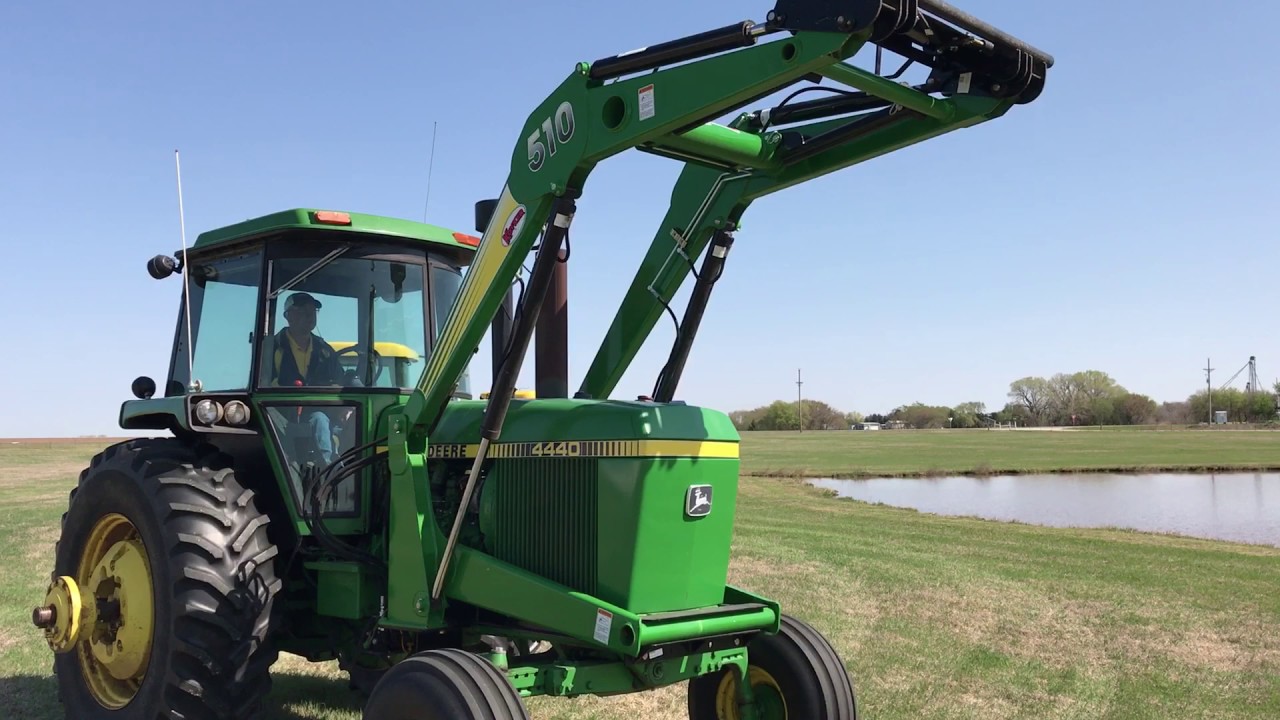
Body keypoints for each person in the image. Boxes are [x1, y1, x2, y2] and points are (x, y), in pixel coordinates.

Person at [269, 292, 343, 465]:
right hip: (281, 414)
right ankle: (329, 469)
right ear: (288, 316)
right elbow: (265, 383)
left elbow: (339, 380)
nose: (309, 315)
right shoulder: (272, 348)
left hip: (320, 408)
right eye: (302, 310)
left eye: (313, 310)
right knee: (319, 420)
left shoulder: (325, 350)